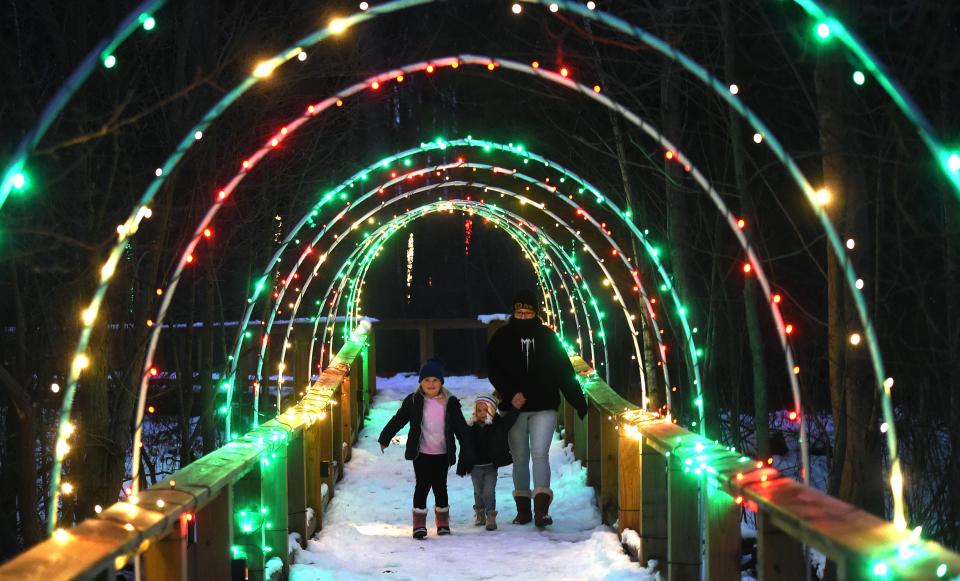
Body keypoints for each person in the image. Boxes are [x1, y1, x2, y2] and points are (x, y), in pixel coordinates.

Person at [487, 289, 588, 527]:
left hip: (544, 405)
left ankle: (541, 509)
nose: (523, 316)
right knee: (520, 457)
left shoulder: (547, 337)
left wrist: (578, 401)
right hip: (513, 408)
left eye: (527, 312)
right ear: (514, 312)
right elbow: (494, 370)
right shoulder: (501, 337)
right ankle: (523, 509)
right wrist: (511, 394)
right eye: (519, 312)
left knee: (540, 454)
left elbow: (564, 370)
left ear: (535, 313)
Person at [378, 356, 473, 539]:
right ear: (421, 382)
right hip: (420, 453)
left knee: (440, 486)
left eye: (435, 380)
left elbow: (461, 428)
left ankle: (442, 521)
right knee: (422, 486)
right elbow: (399, 420)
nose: (431, 384)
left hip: (442, 453)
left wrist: (467, 450)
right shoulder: (413, 401)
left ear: (441, 383)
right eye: (427, 380)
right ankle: (419, 524)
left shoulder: (450, 402)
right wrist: (385, 437)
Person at [465, 394, 516, 531]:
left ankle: (490, 515)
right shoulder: (470, 427)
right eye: (479, 410)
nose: (482, 413)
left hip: (490, 467)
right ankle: (480, 513)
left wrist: (516, 408)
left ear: (492, 411)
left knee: (488, 491)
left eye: (485, 410)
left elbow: (509, 421)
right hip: (475, 467)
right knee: (478, 491)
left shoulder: (497, 426)